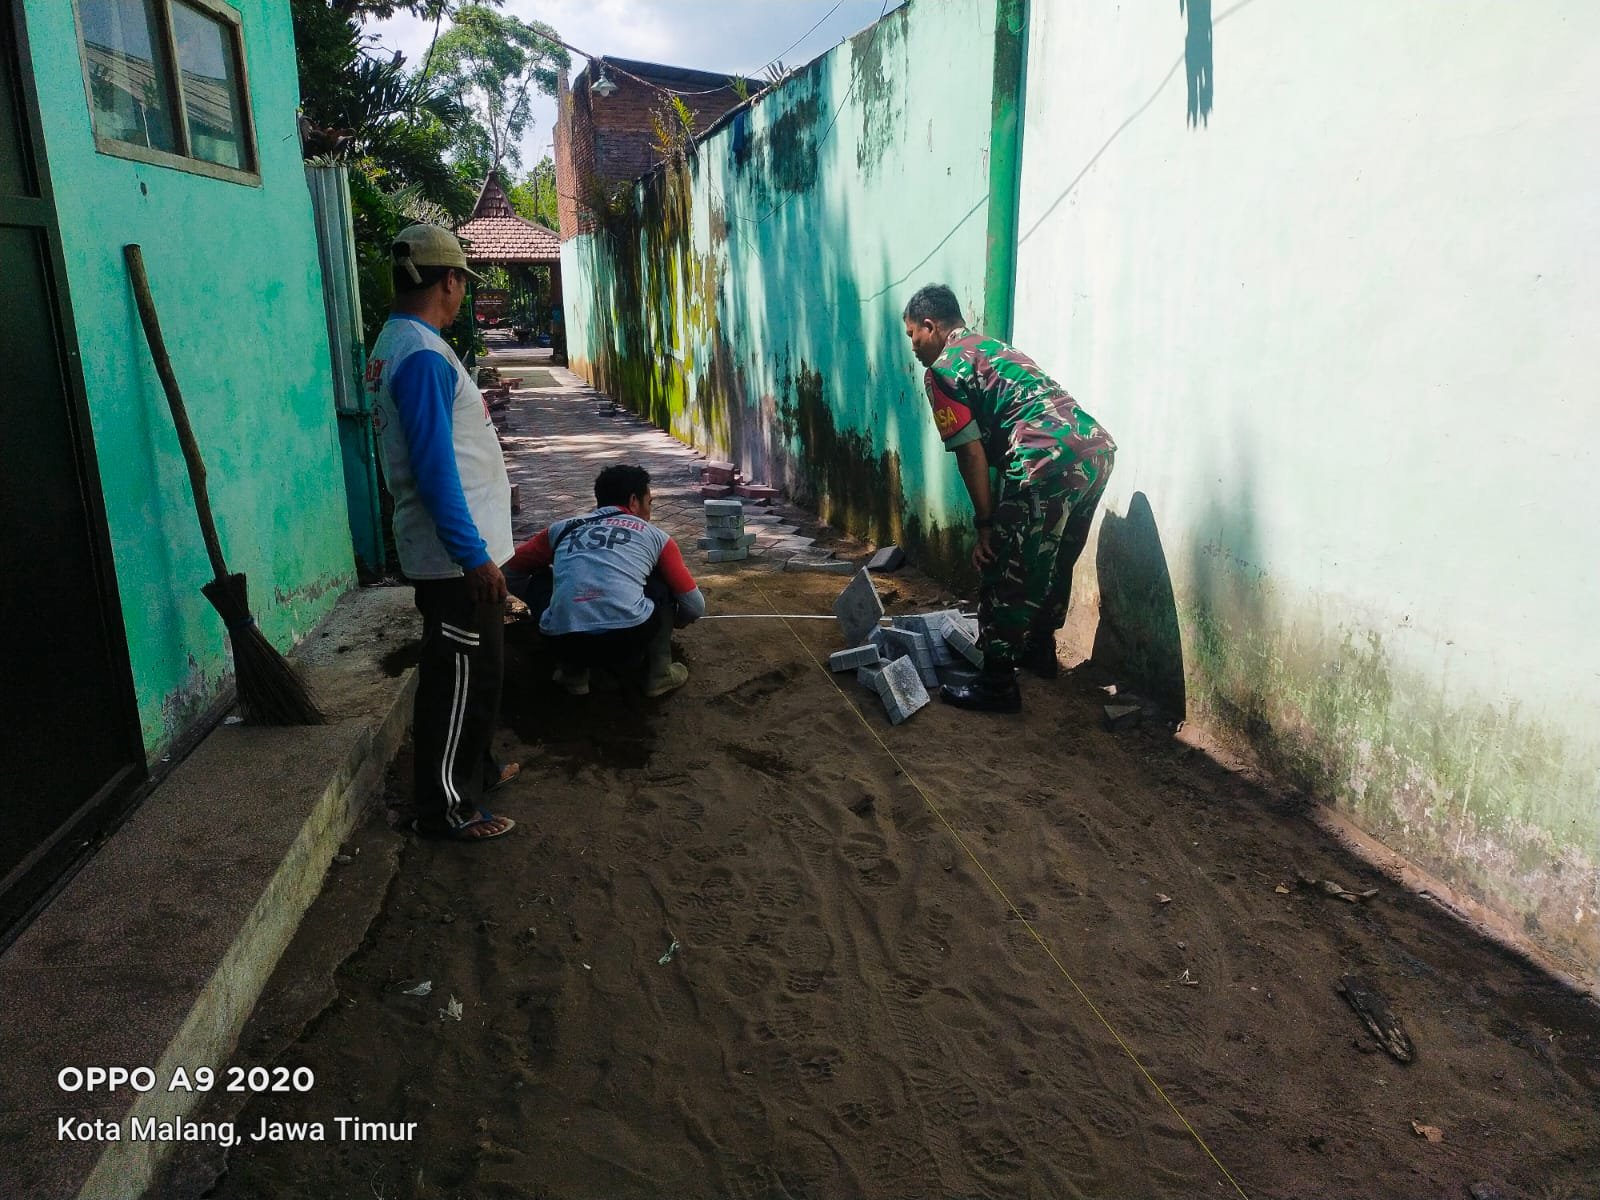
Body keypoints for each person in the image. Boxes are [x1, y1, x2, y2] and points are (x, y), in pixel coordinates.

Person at [368, 224, 517, 840]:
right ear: (450, 281)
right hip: (455, 561)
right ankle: (445, 808)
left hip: (460, 556)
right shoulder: (424, 356)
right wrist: (475, 557)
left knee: (481, 672)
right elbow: (435, 472)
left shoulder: (404, 342)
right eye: (462, 283)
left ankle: (475, 770)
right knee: (457, 682)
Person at [903, 283, 1116, 714]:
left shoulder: (943, 370)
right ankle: (1039, 650)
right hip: (1094, 451)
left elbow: (970, 452)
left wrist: (986, 525)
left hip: (1044, 459)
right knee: (1053, 557)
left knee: (1009, 565)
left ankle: (998, 683)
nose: (914, 347)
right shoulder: (995, 349)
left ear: (931, 326)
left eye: (913, 336)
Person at [504, 464, 704, 697]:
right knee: (662, 582)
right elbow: (694, 606)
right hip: (630, 638)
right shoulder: (656, 537)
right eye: (649, 503)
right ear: (633, 501)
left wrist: (542, 606)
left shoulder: (561, 529)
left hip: (563, 641)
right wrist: (672, 621)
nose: (649, 513)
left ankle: (573, 675)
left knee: (541, 578)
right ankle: (660, 674)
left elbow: (510, 568)